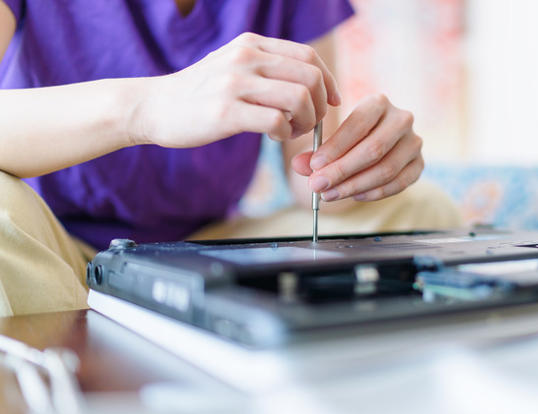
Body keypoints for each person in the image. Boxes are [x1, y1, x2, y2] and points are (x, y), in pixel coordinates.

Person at [0, 0, 462, 316]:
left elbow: (308, 170)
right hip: (52, 242)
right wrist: (147, 107)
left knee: (422, 209)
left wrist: (360, 164)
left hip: (209, 247)